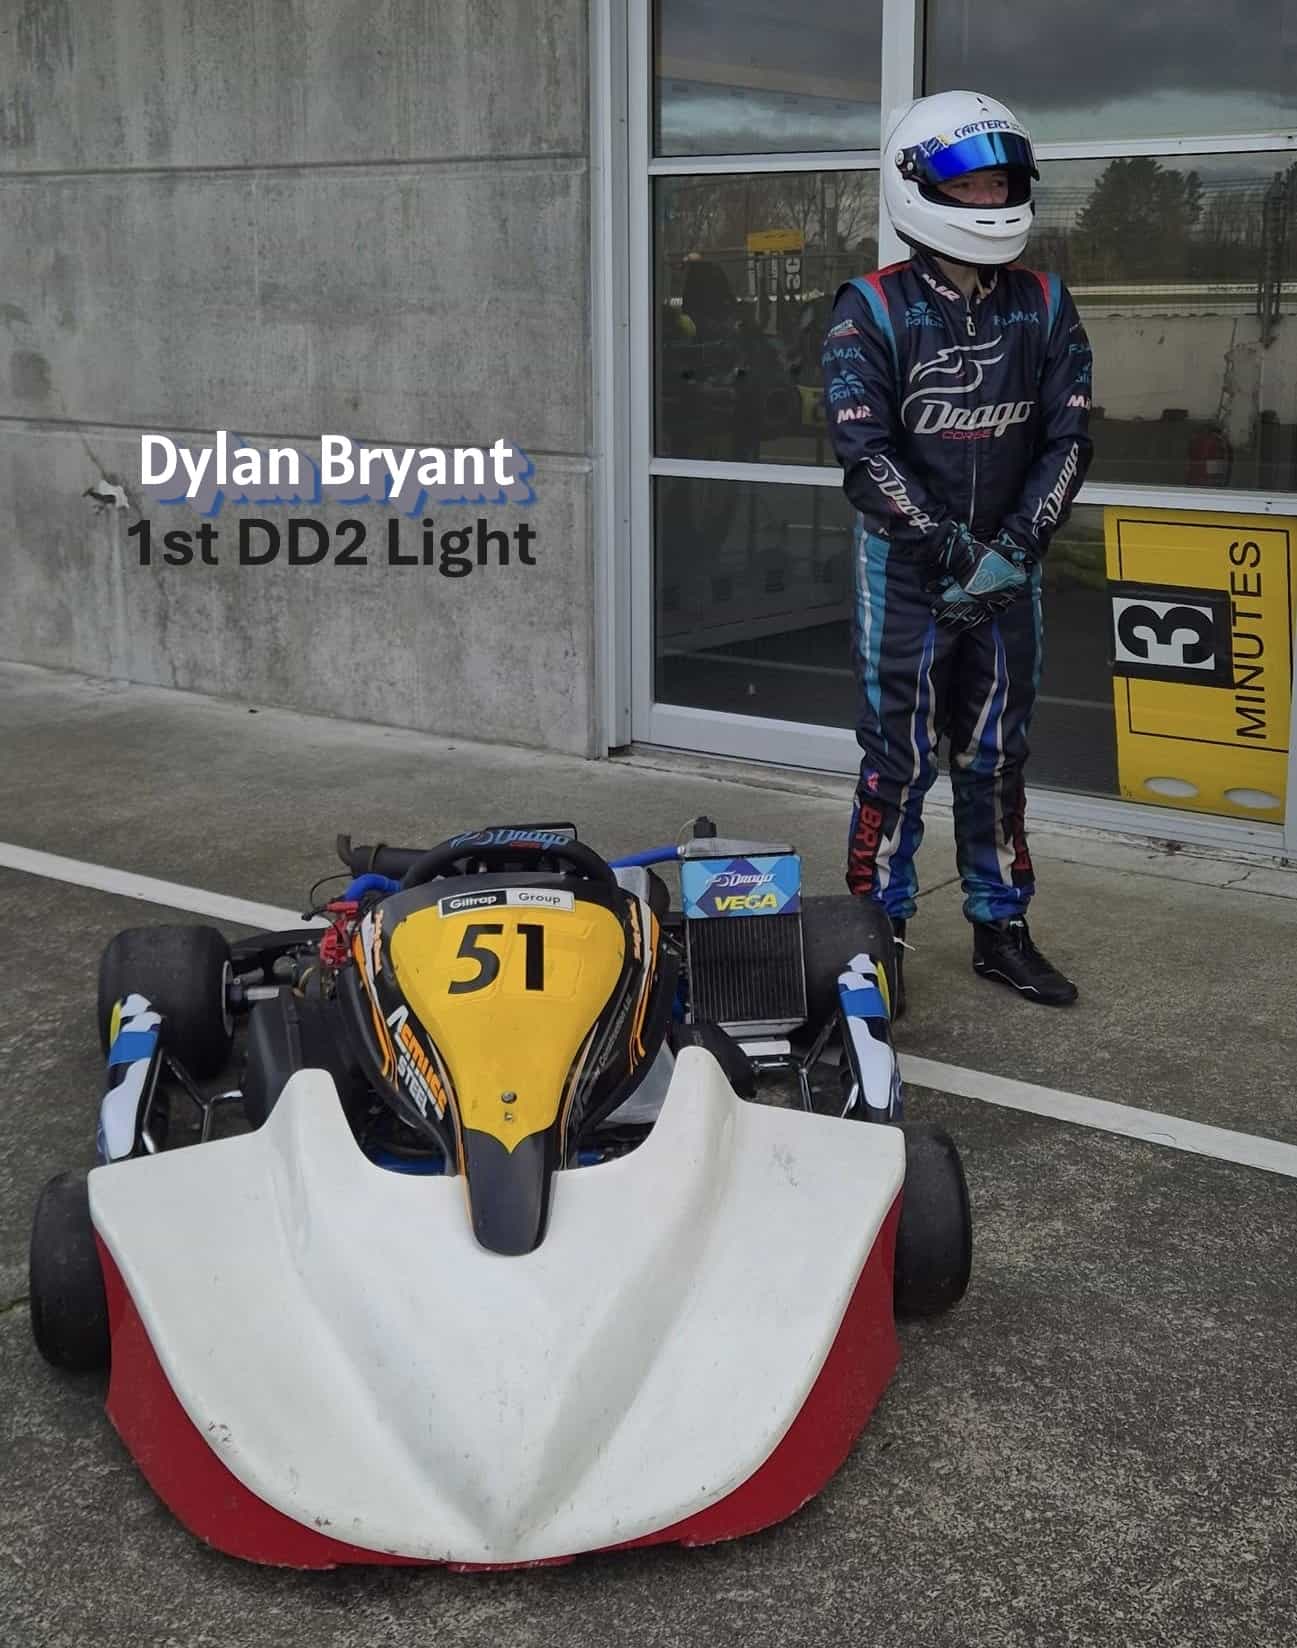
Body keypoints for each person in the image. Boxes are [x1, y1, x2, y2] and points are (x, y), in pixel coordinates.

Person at [821, 90, 1093, 1012]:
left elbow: (1068, 439)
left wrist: (1013, 548)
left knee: (997, 760)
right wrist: (949, 551)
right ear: (918, 189)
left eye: (1000, 183)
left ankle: (1000, 928)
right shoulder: (868, 307)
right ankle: (874, 938)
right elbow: (865, 453)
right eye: (968, 185)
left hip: (1011, 573)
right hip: (904, 574)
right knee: (895, 763)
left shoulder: (1045, 303)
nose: (988, 199)